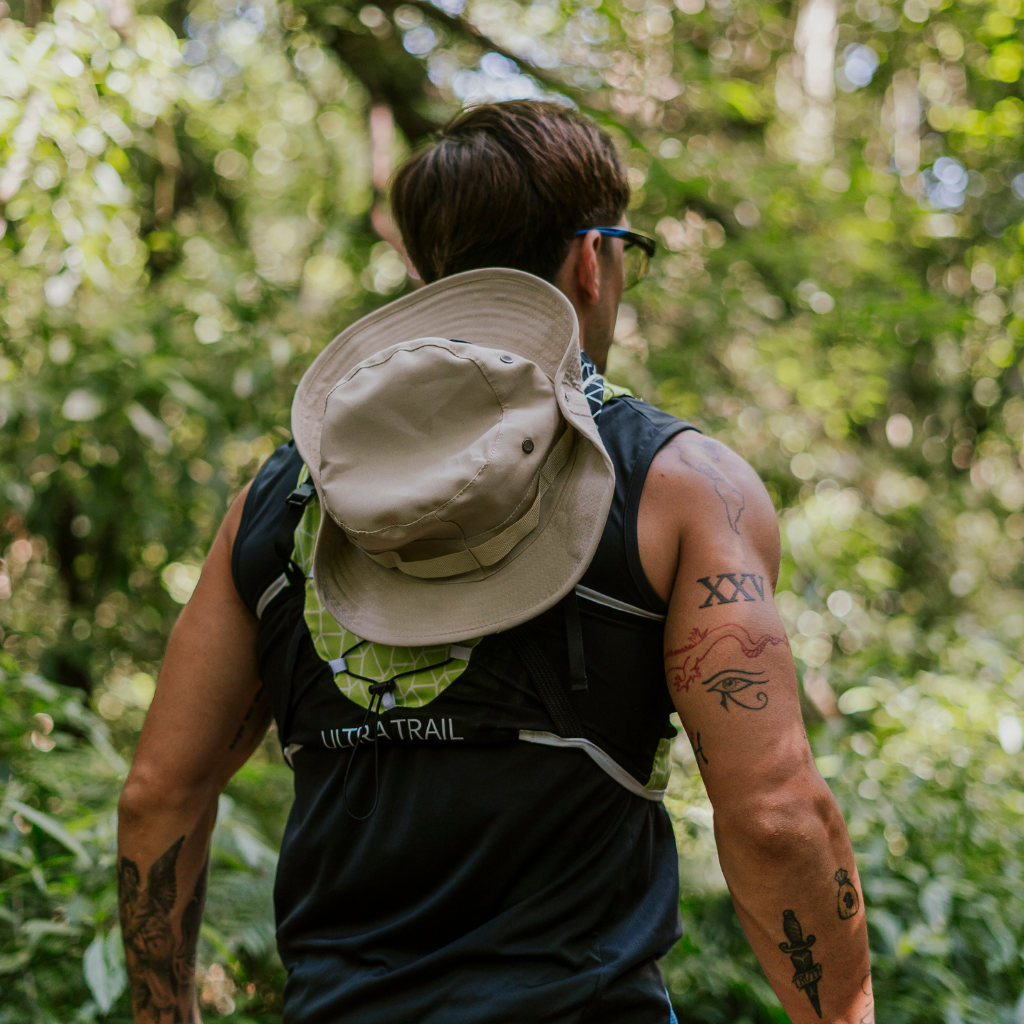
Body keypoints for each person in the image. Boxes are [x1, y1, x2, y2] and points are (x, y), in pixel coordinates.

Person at [117, 100, 873, 1024]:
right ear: (591, 260)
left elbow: (158, 797)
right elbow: (776, 816)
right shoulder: (682, 488)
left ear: (422, 272)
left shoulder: (277, 502)